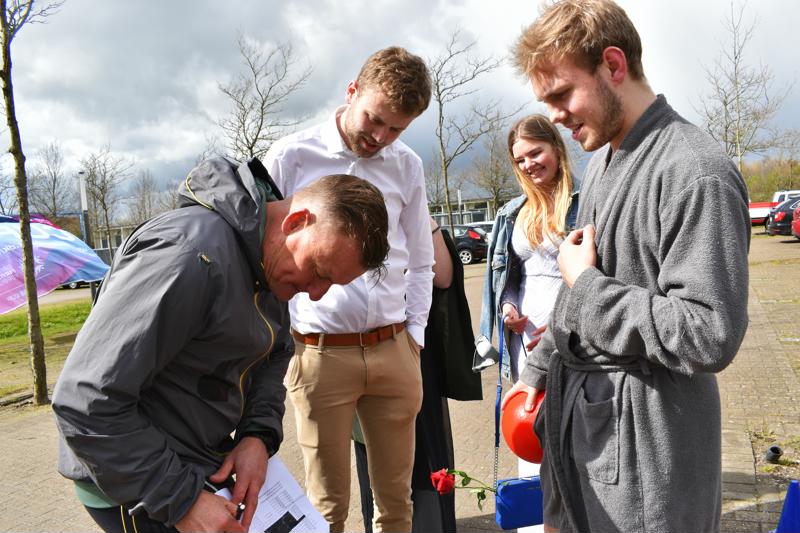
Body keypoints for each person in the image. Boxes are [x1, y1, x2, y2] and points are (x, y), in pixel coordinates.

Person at [503, 1, 751, 531]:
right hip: (583, 440)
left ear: (613, 65)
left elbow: (710, 332)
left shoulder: (694, 171)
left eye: (563, 94)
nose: (556, 116)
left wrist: (591, 288)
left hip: (648, 464)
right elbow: (575, 294)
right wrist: (537, 373)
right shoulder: (604, 162)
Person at [52, 156, 390, 533]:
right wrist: (182, 501)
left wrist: (256, 437)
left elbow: (275, 353)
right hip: (134, 483)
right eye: (318, 273)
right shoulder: (187, 255)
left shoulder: (267, 260)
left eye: (331, 285)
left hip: (190, 460)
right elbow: (85, 399)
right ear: (296, 222)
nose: (314, 294)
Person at [263, 46, 434, 533]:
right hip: (319, 355)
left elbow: (420, 261)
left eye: (396, 129)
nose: (380, 137)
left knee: (397, 504)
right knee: (325, 506)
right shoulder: (292, 155)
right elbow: (263, 255)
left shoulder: (407, 167)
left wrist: (414, 337)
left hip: (393, 349)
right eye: (375, 119)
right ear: (352, 91)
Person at [474, 114, 578, 532]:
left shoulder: (583, 202)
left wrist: (553, 328)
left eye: (536, 152)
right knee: (528, 427)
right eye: (520, 159)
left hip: (571, 337)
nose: (529, 164)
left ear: (556, 147)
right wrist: (508, 311)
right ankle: (537, 525)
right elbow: (510, 279)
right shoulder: (513, 212)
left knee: (571, 436)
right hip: (523, 345)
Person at [354, 217, 483, 533]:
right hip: (365, 356)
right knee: (376, 456)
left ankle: (430, 526)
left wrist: (427, 222)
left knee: (424, 449)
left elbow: (444, 278)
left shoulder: (408, 217)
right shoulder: (353, 219)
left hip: (413, 354)